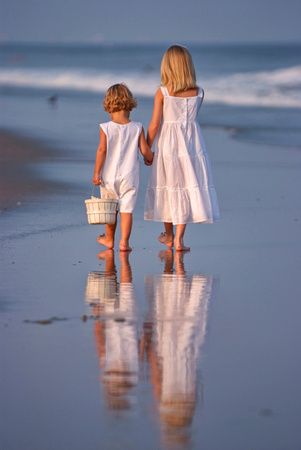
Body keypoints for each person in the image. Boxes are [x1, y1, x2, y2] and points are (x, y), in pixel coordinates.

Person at [144, 45, 220, 251]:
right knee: (186, 186)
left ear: (167, 67)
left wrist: (146, 149)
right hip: (192, 145)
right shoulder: (200, 92)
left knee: (169, 186)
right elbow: (189, 120)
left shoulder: (162, 92)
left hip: (169, 145)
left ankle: (168, 235)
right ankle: (178, 239)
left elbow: (154, 124)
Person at [93, 83, 153, 251]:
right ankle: (124, 243)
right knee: (127, 210)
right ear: (129, 104)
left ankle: (109, 239)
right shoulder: (138, 127)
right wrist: (151, 158)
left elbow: (101, 150)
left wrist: (96, 172)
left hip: (109, 176)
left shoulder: (106, 128)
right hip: (130, 176)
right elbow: (145, 150)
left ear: (109, 106)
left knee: (109, 210)